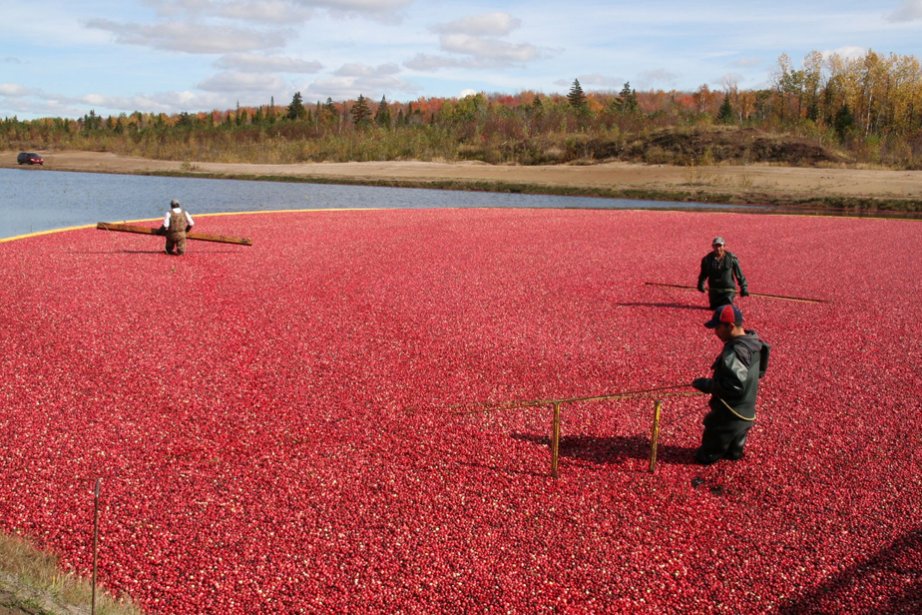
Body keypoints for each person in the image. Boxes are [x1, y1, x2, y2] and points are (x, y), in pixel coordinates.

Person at [691, 304, 770, 464]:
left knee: (705, 456)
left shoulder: (734, 352)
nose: (715, 332)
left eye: (718, 327)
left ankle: (712, 459)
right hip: (747, 413)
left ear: (731, 326)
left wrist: (707, 385)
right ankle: (733, 451)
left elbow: (734, 387)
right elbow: (760, 372)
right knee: (733, 452)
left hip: (728, 415)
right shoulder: (755, 343)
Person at [697, 236, 748, 309]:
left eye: (720, 246)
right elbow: (703, 274)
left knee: (726, 309)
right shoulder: (707, 260)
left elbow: (739, 274)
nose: (718, 248)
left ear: (724, 246)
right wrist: (700, 284)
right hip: (714, 291)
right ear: (713, 246)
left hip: (728, 291)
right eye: (716, 246)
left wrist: (744, 287)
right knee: (714, 309)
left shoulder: (731, 258)